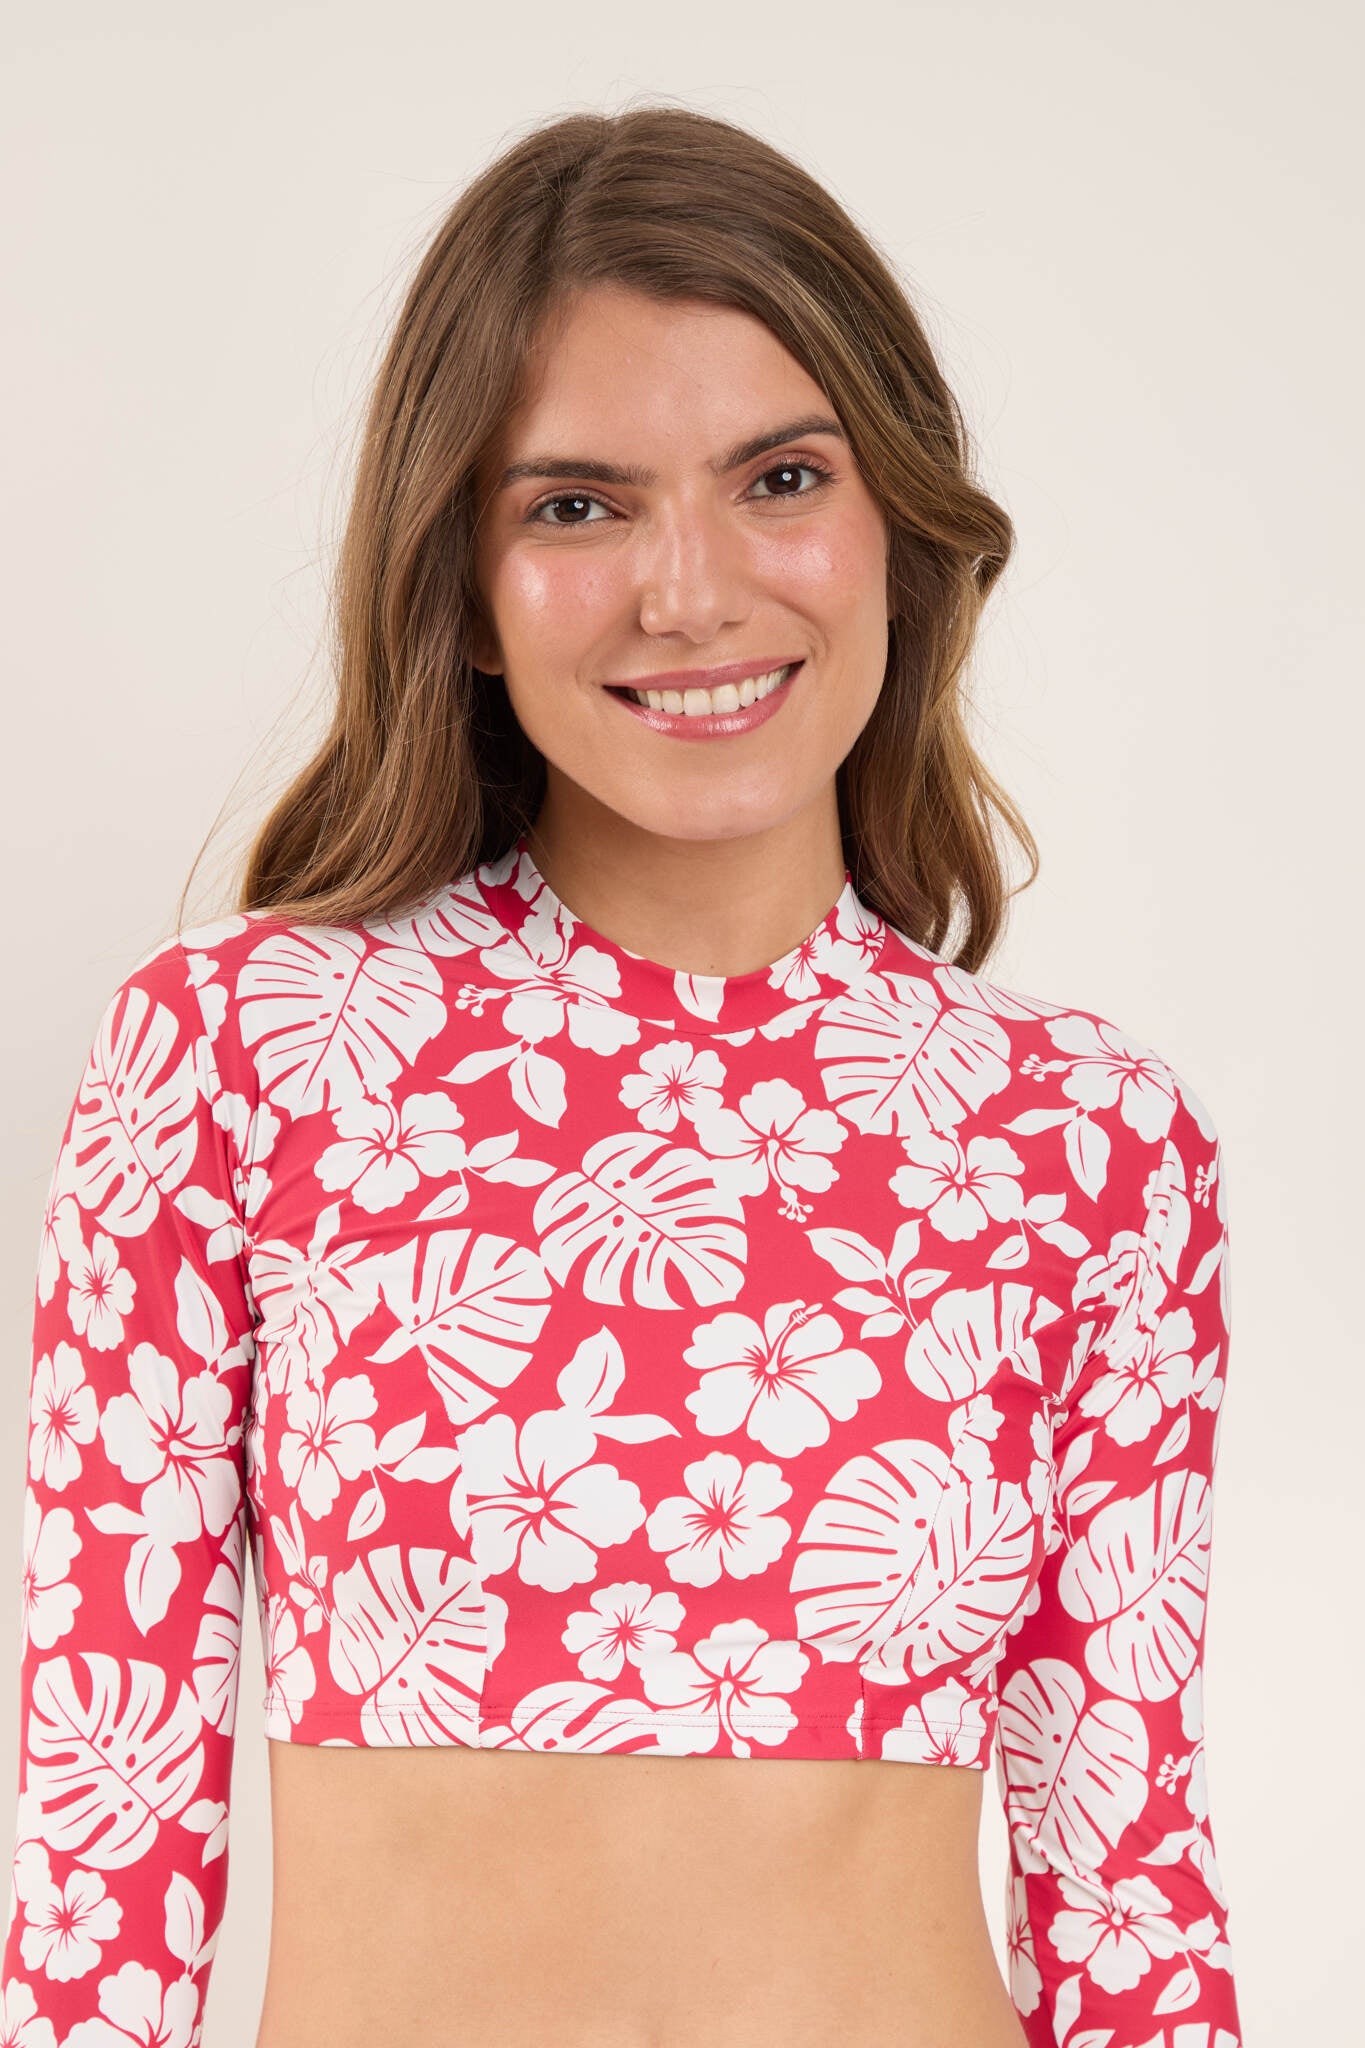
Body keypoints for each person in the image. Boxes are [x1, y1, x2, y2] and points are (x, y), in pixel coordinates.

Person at [0, 102, 1242, 2048]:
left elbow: (1126, 1876)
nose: (690, 590)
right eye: (576, 506)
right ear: (460, 583)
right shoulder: (243, 1053)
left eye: (779, 478)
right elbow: (105, 1827)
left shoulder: (1085, 1142)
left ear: (899, 532)